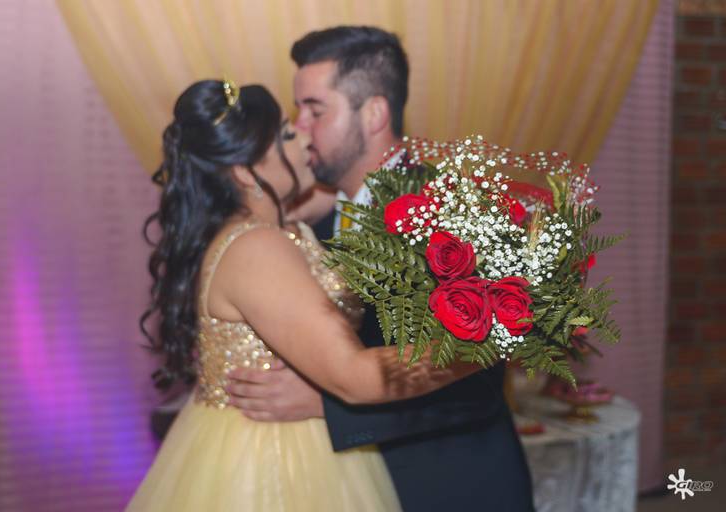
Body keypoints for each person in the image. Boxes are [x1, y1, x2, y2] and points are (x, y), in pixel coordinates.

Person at [125, 79, 481, 511]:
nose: (305, 136)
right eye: (286, 133)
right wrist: (482, 343)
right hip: (270, 466)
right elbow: (355, 376)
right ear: (245, 171)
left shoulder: (277, 229)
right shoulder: (257, 248)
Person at [226, 26, 536, 511]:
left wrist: (328, 406)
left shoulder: (450, 211)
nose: (299, 128)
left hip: (453, 486)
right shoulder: (312, 217)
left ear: (373, 113)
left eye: (315, 110)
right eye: (297, 110)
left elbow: (477, 380)